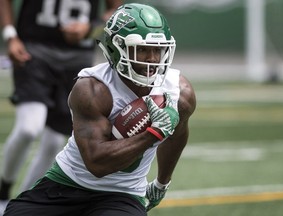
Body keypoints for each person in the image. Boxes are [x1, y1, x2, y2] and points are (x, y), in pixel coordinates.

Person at [2, 3, 196, 216]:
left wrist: (161, 183)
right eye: (141, 49)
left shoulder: (179, 93)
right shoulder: (91, 88)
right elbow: (96, 164)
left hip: (123, 194)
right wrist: (153, 134)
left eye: (158, 50)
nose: (152, 59)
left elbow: (177, 135)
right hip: (67, 183)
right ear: (116, 49)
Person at [0, 0, 122, 214]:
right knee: (29, 127)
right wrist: (10, 35)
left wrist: (90, 28)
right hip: (35, 52)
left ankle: (22, 204)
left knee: (53, 142)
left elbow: (116, 11)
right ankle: (3, 190)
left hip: (77, 60)